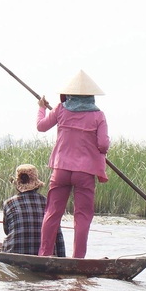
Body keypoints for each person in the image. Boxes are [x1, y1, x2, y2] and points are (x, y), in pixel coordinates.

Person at [36, 70, 109, 258]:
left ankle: (44, 255)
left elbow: (41, 126)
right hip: (84, 173)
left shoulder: (61, 109)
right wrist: (98, 149)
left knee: (52, 213)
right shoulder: (98, 116)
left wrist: (41, 108)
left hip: (61, 170)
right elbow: (103, 144)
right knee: (82, 216)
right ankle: (78, 259)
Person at [2, 164, 66, 257]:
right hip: (43, 255)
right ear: (36, 185)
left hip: (14, 253)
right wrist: (62, 258)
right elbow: (58, 235)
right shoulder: (48, 203)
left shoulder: (8, 203)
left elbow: (7, 230)